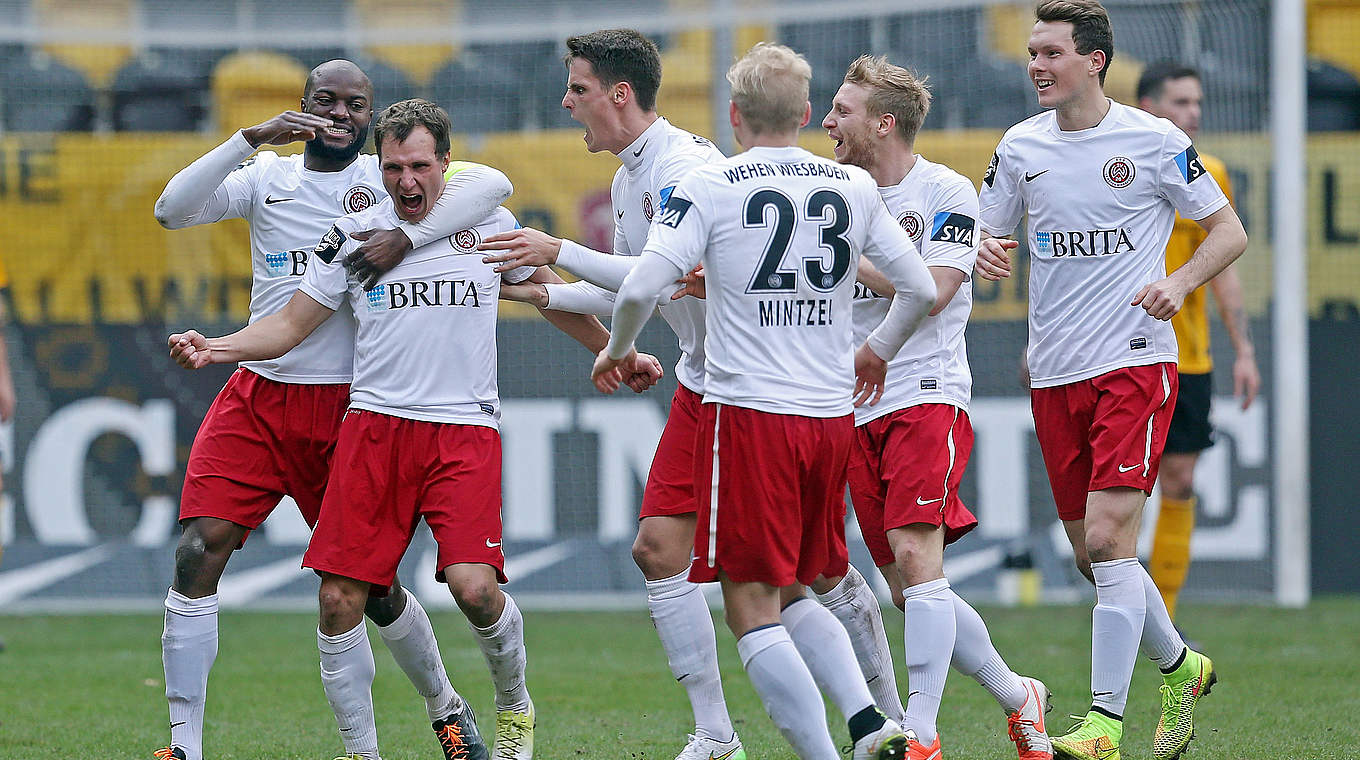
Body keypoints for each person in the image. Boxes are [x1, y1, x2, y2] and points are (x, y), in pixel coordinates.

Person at [168, 98, 645, 760]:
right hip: (373, 429)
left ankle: (513, 705)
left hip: (461, 431)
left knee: (475, 590)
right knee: (338, 600)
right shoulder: (350, 235)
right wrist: (216, 348)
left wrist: (608, 347)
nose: (407, 182)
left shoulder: (485, 218)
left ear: (447, 163)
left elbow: (545, 292)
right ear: (379, 167)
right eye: (394, 168)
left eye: (420, 165)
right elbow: (289, 325)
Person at [151, 61, 517, 760]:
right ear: (303, 106)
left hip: (349, 405)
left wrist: (407, 235)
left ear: (372, 118)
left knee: (370, 593)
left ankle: (445, 706)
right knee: (199, 550)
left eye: (356, 104)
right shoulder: (270, 178)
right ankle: (184, 746)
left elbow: (492, 185)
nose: (340, 113)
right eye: (327, 101)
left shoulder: (388, 182)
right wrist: (250, 138)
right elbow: (171, 210)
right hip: (258, 391)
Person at [593, 42, 938, 760]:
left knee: (751, 608)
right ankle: (873, 725)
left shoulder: (712, 185)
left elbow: (636, 287)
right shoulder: (852, 188)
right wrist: (876, 351)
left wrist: (619, 347)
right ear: (808, 114)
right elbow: (921, 290)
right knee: (797, 587)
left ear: (734, 115)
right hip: (830, 418)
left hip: (750, 417)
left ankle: (820, 750)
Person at [974, 3, 1247, 759]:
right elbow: (987, 235)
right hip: (1056, 369)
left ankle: (1102, 723)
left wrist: (1181, 281)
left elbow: (1230, 232)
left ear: (1093, 60)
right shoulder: (1020, 146)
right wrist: (983, 254)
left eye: (1050, 53)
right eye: (1031, 52)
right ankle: (1180, 666)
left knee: (1105, 536)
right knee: (1094, 555)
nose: (1035, 65)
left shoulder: (1155, 140)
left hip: (1134, 358)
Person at [478, 29, 745, 760]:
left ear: (619, 94)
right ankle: (716, 734)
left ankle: (888, 718)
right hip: (702, 378)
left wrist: (553, 252)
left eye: (579, 89)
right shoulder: (632, 178)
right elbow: (630, 280)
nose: (567, 103)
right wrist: (540, 290)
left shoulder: (686, 167)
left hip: (757, 384)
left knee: (808, 572)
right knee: (660, 550)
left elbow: (648, 279)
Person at [820, 54, 1053, 760]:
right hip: (852, 409)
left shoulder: (946, 190)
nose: (827, 122)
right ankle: (1020, 696)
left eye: (842, 111)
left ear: (883, 123)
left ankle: (920, 736)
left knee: (920, 560)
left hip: (925, 394)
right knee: (908, 586)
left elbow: (936, 290)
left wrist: (838, 254)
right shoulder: (833, 192)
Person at [1134, 61, 1260, 626]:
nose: (1194, 113)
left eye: (1198, 103)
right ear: (1147, 107)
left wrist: (1246, 350)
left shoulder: (1209, 173)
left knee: (1179, 482)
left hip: (1190, 359)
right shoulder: (1116, 171)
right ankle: (1124, 607)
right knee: (1120, 494)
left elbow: (1225, 266)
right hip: (1123, 356)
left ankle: (1164, 616)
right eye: (1181, 102)